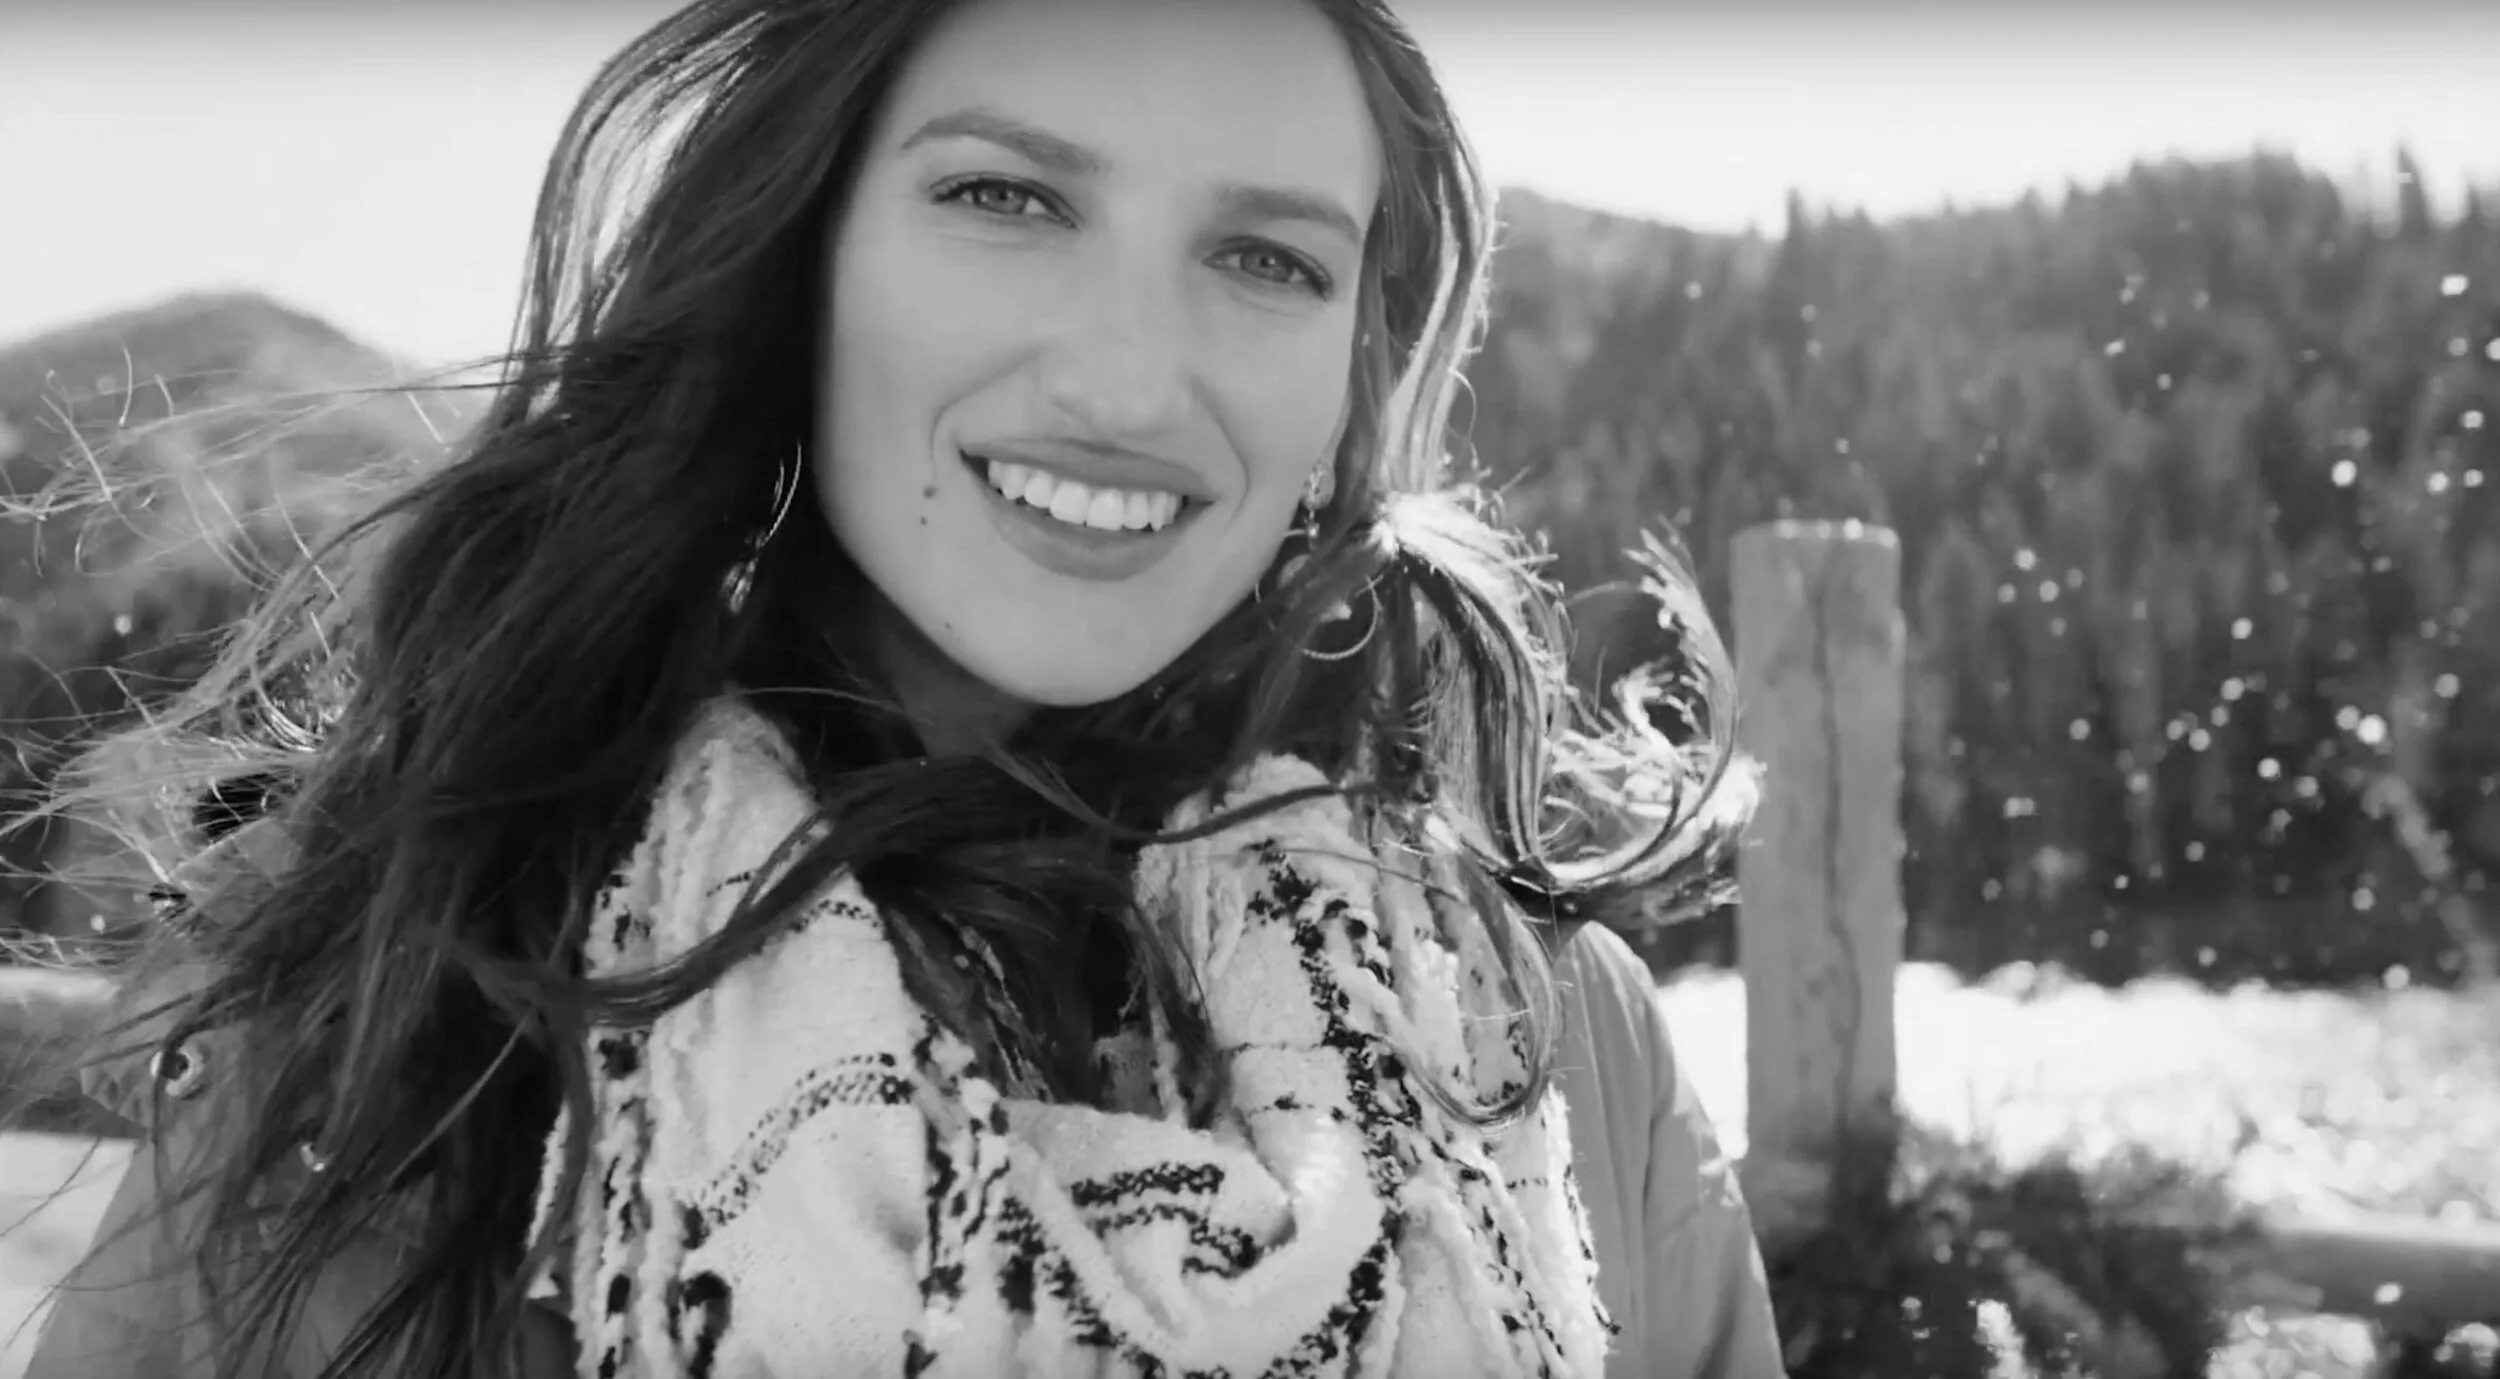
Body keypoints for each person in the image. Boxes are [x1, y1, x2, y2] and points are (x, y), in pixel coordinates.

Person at [26, 0, 1781, 1374]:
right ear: (806, 261)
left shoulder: (1549, 1043)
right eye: (1005, 197)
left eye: (1269, 259)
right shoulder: (412, 986)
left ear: (1352, 372)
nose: (1125, 382)